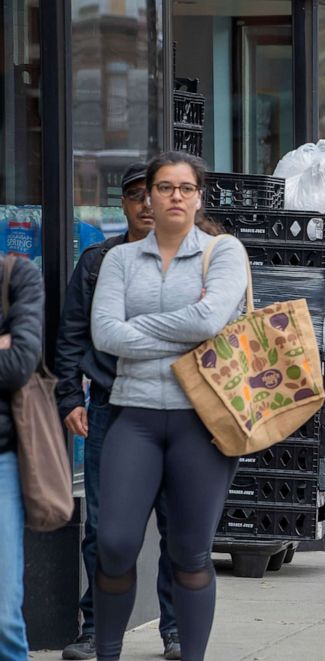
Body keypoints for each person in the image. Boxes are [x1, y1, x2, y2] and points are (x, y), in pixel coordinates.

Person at [89, 151, 248, 661]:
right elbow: (104, 334)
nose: (174, 196)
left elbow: (209, 321)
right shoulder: (117, 260)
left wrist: (140, 333)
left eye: (184, 188)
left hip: (201, 423)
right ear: (148, 198)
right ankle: (107, 652)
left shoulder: (223, 253)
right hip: (132, 416)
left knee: (190, 553)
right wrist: (182, 333)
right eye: (164, 188)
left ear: (199, 197)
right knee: (114, 544)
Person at [55, 164, 181, 660]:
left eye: (152, 194)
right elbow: (70, 338)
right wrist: (69, 398)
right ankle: (96, 629)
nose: (146, 205)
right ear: (124, 205)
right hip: (112, 406)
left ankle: (176, 630)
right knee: (106, 529)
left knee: (177, 525)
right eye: (135, 197)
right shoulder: (97, 262)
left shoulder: (195, 258)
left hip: (180, 409)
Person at [0, 254, 44, 661]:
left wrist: (9, 350)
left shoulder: (17, 275)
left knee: (3, 615)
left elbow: (17, 365)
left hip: (3, 459)